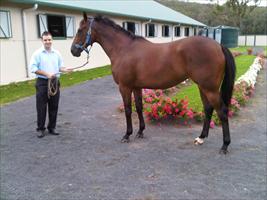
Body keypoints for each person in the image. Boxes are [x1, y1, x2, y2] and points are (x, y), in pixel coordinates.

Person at [30, 31, 72, 138]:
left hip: (54, 82)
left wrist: (66, 70)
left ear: (52, 40)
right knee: (41, 107)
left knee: (54, 106)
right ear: (42, 41)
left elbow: (60, 67)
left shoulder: (57, 53)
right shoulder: (37, 54)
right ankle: (40, 128)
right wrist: (46, 74)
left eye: (49, 39)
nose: (48, 42)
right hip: (42, 82)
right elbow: (33, 68)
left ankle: (52, 127)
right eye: (45, 40)